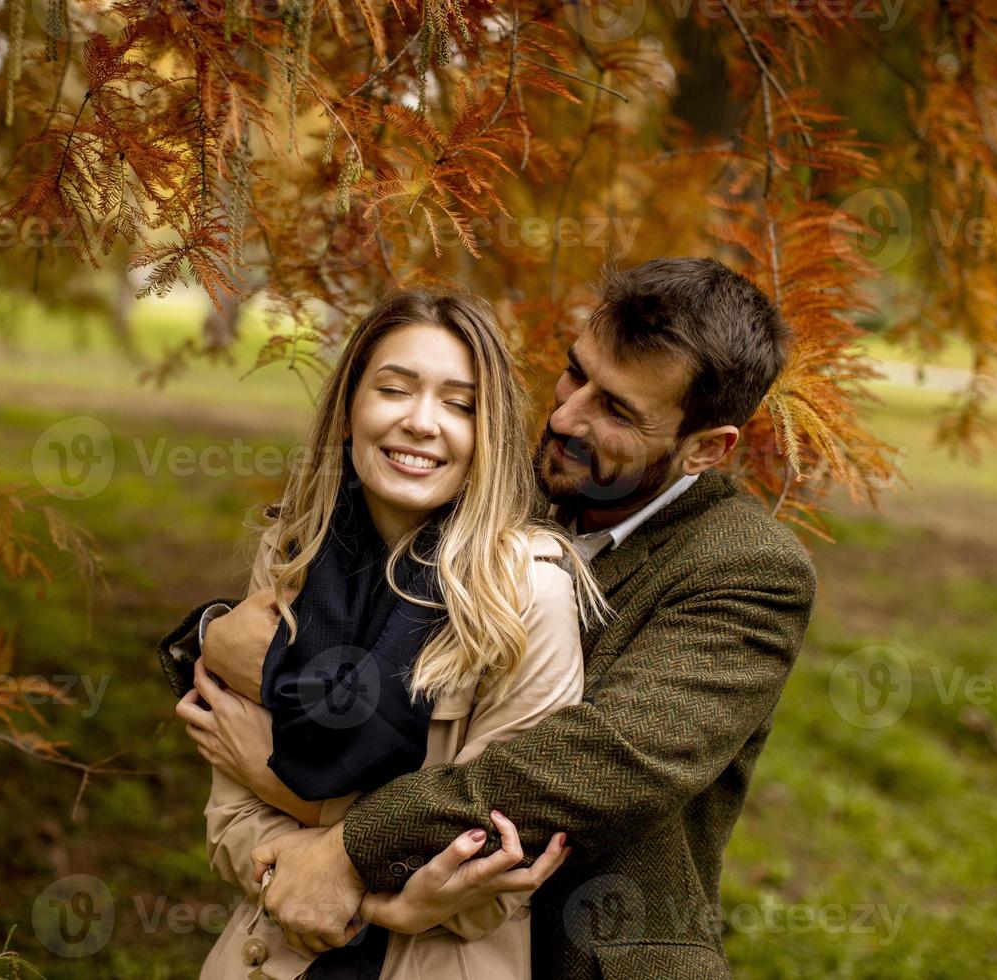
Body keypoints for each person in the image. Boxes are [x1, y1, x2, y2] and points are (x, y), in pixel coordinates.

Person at [175, 257, 820, 980]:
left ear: (706, 447)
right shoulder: (493, 490)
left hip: (585, 953)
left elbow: (603, 760)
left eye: (617, 411)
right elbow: (336, 590)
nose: (566, 416)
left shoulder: (745, 569)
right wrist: (211, 637)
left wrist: (342, 841)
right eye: (577, 374)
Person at [162, 290, 604, 979]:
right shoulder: (292, 554)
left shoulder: (526, 592)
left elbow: (493, 872)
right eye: (394, 390)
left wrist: (285, 792)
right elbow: (227, 825)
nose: (422, 423)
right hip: (270, 956)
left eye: (460, 405)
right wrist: (383, 896)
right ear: (348, 409)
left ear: (487, 431)